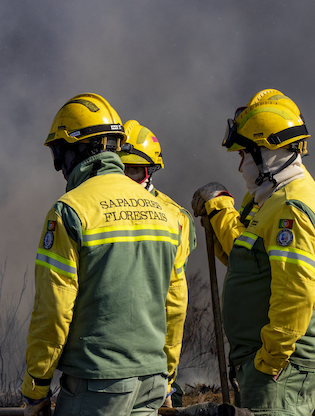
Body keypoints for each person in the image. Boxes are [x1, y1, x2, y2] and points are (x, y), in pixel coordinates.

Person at [22, 93, 184, 416]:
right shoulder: (164, 212)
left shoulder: (69, 212)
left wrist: (36, 386)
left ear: (79, 150)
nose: (59, 166)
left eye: (60, 153)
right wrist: (166, 375)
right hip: (151, 380)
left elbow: (53, 311)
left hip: (98, 385)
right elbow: (175, 304)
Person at [191, 89, 315, 416]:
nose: (241, 164)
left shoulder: (290, 209)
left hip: (278, 369)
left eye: (245, 154)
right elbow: (244, 258)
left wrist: (268, 361)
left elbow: (296, 296)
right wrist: (219, 209)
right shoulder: (271, 199)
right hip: (264, 363)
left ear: (269, 153)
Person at [118, 120, 196, 408]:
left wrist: (167, 377)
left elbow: (174, 304)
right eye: (119, 169)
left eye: (134, 170)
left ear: (151, 171)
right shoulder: (88, 208)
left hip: (150, 361)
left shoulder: (176, 218)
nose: (125, 179)